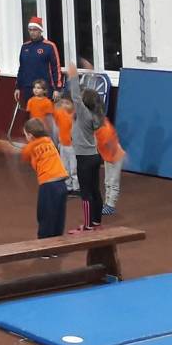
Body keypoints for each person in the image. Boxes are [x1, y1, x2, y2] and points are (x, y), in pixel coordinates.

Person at [68, 66, 107, 233]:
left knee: (85, 193)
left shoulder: (84, 114)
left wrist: (73, 77)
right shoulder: (96, 115)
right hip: (94, 156)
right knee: (95, 190)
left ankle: (87, 225)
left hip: (84, 158)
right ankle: (96, 221)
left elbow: (76, 96)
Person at [16, 17, 62, 107]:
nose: (32, 32)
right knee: (31, 114)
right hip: (28, 88)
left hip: (44, 88)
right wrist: (18, 87)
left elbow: (56, 68)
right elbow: (21, 69)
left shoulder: (49, 46)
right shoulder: (24, 47)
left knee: (44, 114)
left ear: (40, 30)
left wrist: (57, 89)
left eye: (35, 30)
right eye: (30, 30)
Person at [98, 115, 126, 216]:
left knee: (113, 182)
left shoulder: (106, 130)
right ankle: (107, 203)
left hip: (115, 158)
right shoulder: (99, 127)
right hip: (108, 157)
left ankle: (111, 206)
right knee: (107, 181)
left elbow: (112, 146)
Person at [54, 96, 78, 193]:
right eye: (62, 103)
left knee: (74, 168)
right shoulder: (59, 113)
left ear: (73, 104)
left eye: (67, 103)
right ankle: (68, 186)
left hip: (73, 147)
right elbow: (56, 125)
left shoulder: (75, 116)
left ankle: (76, 188)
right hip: (63, 145)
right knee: (65, 167)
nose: (64, 105)